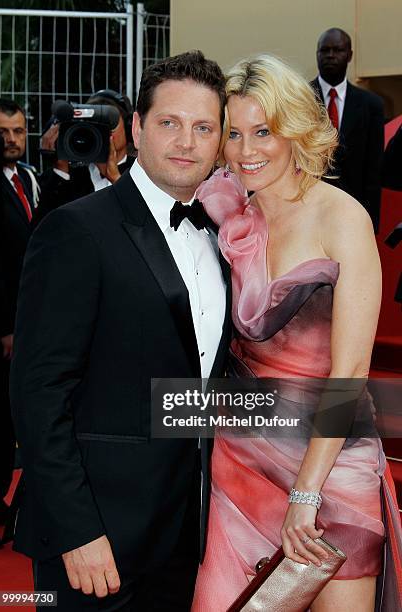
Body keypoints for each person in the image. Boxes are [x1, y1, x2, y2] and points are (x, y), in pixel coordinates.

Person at [10, 50, 230, 611]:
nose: (186, 142)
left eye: (203, 127)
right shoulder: (77, 231)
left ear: (221, 138)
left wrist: (336, 416)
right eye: (169, 123)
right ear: (136, 128)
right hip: (95, 538)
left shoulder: (222, 238)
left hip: (187, 532)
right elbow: (38, 393)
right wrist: (77, 531)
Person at [192, 55, 402, 611]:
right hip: (242, 458)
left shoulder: (342, 217)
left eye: (264, 131)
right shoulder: (230, 213)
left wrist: (306, 494)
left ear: (296, 129)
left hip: (332, 467)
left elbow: (350, 373)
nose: (245, 150)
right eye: (233, 134)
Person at [0, 99, 42, 542]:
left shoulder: (28, 178)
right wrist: (5, 326)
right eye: (2, 132)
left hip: (26, 322)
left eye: (18, 131)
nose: (11, 140)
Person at [311, 28, 384, 233]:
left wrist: (371, 223)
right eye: (324, 50)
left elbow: (373, 170)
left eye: (338, 50)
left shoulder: (372, 105)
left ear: (350, 55)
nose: (331, 56)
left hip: (355, 212)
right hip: (309, 212)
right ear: (317, 55)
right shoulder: (300, 100)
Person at [38, 89, 136, 216]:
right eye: (95, 124)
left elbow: (149, 222)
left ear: (129, 129)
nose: (104, 131)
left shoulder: (144, 172)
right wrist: (60, 173)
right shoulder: (67, 175)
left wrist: (116, 179)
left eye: (111, 123)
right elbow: (43, 227)